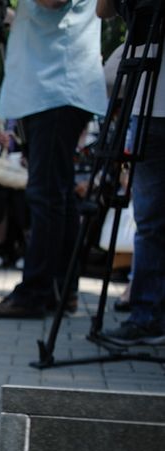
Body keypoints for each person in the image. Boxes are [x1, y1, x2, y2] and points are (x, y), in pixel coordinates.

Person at [0, 0, 106, 318]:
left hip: (56, 90)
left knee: (46, 195)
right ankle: (61, 291)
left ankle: (36, 293)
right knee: (57, 195)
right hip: (50, 90)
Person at [98, 0, 165, 346]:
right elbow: (103, 10)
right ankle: (146, 316)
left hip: (149, 105)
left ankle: (147, 314)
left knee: (151, 224)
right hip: (146, 105)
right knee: (149, 222)